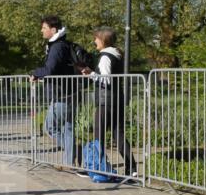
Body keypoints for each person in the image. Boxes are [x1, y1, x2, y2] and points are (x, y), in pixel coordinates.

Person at [81, 27, 137, 176]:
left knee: (99, 134)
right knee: (118, 134)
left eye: (96, 39)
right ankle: (131, 169)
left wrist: (91, 74)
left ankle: (97, 168)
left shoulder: (105, 56)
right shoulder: (117, 55)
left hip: (106, 101)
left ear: (103, 40)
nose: (94, 41)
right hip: (117, 99)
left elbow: (106, 80)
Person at [30, 16, 82, 167]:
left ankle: (75, 152)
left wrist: (34, 73)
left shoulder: (57, 46)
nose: (41, 30)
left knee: (50, 127)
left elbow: (49, 69)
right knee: (68, 127)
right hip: (69, 91)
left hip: (63, 94)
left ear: (53, 30)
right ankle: (69, 161)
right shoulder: (62, 44)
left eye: (44, 28)